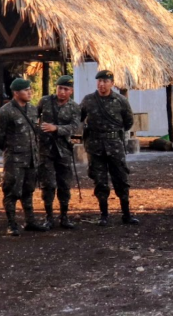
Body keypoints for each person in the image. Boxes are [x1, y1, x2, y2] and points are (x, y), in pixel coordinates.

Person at [0, 78, 49, 236]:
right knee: (11, 191)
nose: (30, 92)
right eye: (26, 90)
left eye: (30, 89)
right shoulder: (6, 111)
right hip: (14, 160)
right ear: (16, 93)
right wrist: (10, 149)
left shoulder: (32, 109)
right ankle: (11, 223)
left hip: (31, 158)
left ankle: (30, 221)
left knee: (28, 190)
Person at [83, 69, 139, 225]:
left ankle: (126, 214)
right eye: (99, 81)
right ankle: (104, 215)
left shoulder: (120, 100)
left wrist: (114, 134)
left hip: (115, 147)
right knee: (100, 182)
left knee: (121, 179)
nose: (102, 84)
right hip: (95, 147)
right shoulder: (88, 100)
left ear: (112, 84)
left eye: (105, 81)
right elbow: (79, 118)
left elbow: (128, 121)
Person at [37, 74, 82, 229]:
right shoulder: (45, 102)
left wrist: (56, 128)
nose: (62, 91)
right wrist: (40, 130)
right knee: (47, 184)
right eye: (59, 88)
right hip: (46, 149)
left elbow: (75, 127)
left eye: (66, 89)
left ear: (71, 91)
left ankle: (64, 216)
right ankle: (48, 217)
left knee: (64, 184)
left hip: (63, 150)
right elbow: (34, 118)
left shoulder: (74, 107)